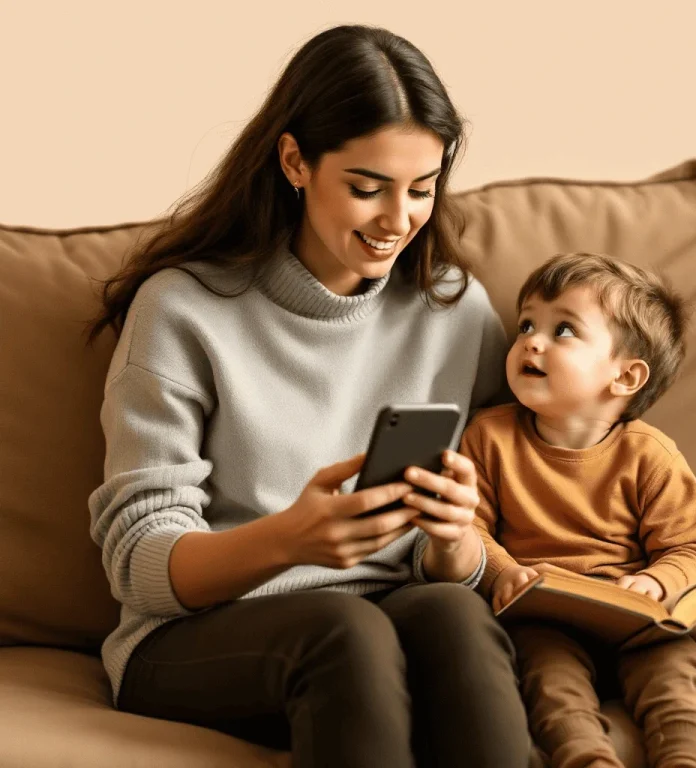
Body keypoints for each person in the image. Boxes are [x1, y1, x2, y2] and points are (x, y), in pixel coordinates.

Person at [86, 24, 530, 768]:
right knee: (344, 632)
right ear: (295, 160)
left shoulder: (452, 310)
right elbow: (138, 563)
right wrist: (291, 539)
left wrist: (456, 541)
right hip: (200, 633)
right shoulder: (184, 309)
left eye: (422, 189)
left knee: (453, 616)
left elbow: (471, 546)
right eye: (367, 188)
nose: (398, 221)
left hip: (390, 612)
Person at [460, 252, 696, 768]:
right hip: (545, 616)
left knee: (677, 673)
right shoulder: (489, 437)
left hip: (634, 620)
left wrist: (659, 582)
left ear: (624, 377)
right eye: (528, 323)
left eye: (564, 331)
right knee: (548, 684)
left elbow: (690, 549)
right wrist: (505, 573)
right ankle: (587, 760)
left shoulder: (650, 456)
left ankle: (687, 760)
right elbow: (469, 526)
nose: (530, 339)